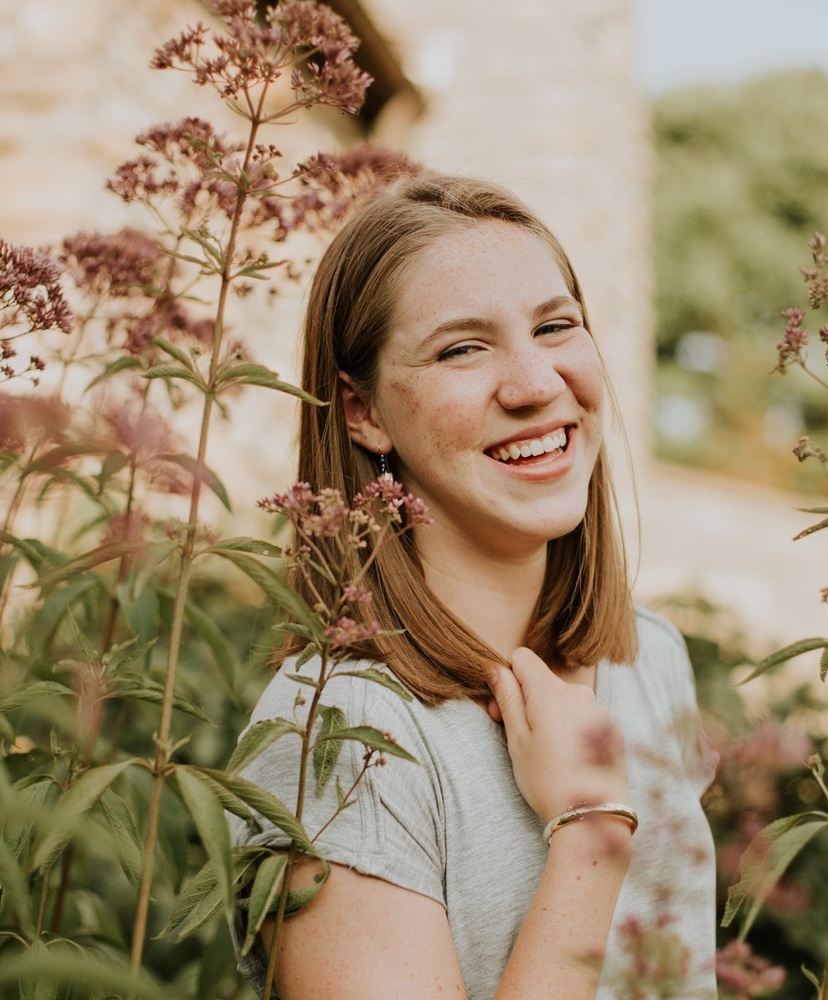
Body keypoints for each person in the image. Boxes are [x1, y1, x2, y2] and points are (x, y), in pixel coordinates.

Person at [231, 172, 718, 999]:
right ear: (362, 413)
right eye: (462, 347)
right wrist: (592, 832)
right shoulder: (337, 736)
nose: (534, 384)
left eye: (556, 326)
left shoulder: (650, 659)